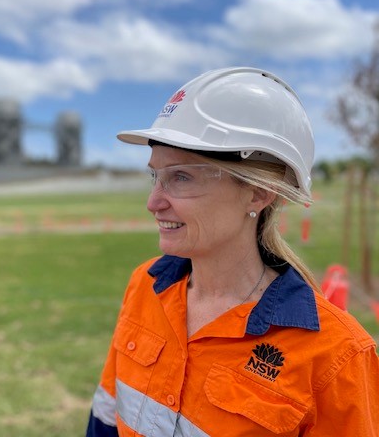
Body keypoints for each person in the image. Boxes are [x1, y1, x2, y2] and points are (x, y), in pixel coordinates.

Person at [86, 67, 379, 436]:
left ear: (258, 193)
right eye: (155, 176)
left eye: (181, 177)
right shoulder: (145, 285)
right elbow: (105, 418)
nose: (153, 202)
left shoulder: (337, 356)